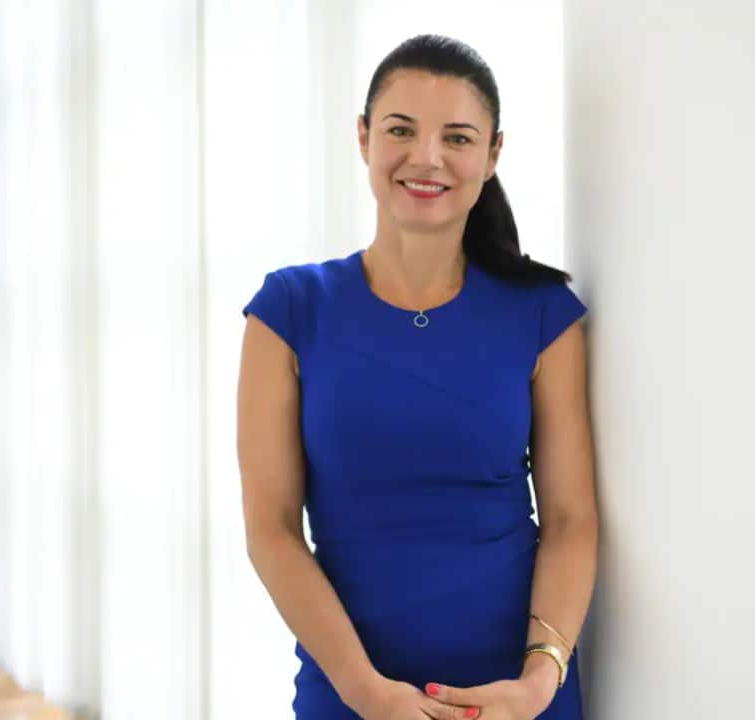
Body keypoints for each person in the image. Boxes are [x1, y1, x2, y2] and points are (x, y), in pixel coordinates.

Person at [237, 34, 598, 720]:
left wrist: (537, 683)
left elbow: (572, 520)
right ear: (365, 137)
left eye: (457, 138)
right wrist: (366, 692)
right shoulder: (289, 310)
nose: (426, 157)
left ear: (492, 155)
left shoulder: (545, 315)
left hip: (517, 700)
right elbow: (272, 528)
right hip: (351, 693)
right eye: (401, 130)